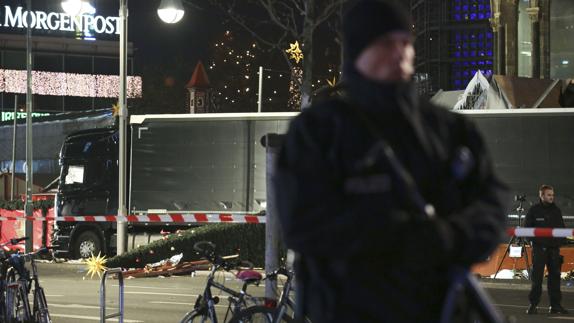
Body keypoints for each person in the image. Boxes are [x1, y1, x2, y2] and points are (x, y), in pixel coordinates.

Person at [273, 0, 509, 322]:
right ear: (358, 51)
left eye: (405, 42)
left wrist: (450, 237)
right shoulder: (319, 132)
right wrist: (405, 238)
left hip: (438, 309)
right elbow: (304, 222)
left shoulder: (448, 129)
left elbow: (490, 202)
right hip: (350, 310)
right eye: (385, 43)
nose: (400, 52)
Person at [524, 185, 568, 315]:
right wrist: (534, 243)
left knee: (555, 279)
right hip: (539, 250)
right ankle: (533, 305)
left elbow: (561, 229)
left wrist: (559, 244)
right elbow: (527, 229)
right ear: (541, 196)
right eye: (549, 195)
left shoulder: (556, 211)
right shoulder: (534, 210)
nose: (551, 197)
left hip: (554, 250)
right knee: (537, 279)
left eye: (552, 195)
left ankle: (555, 306)